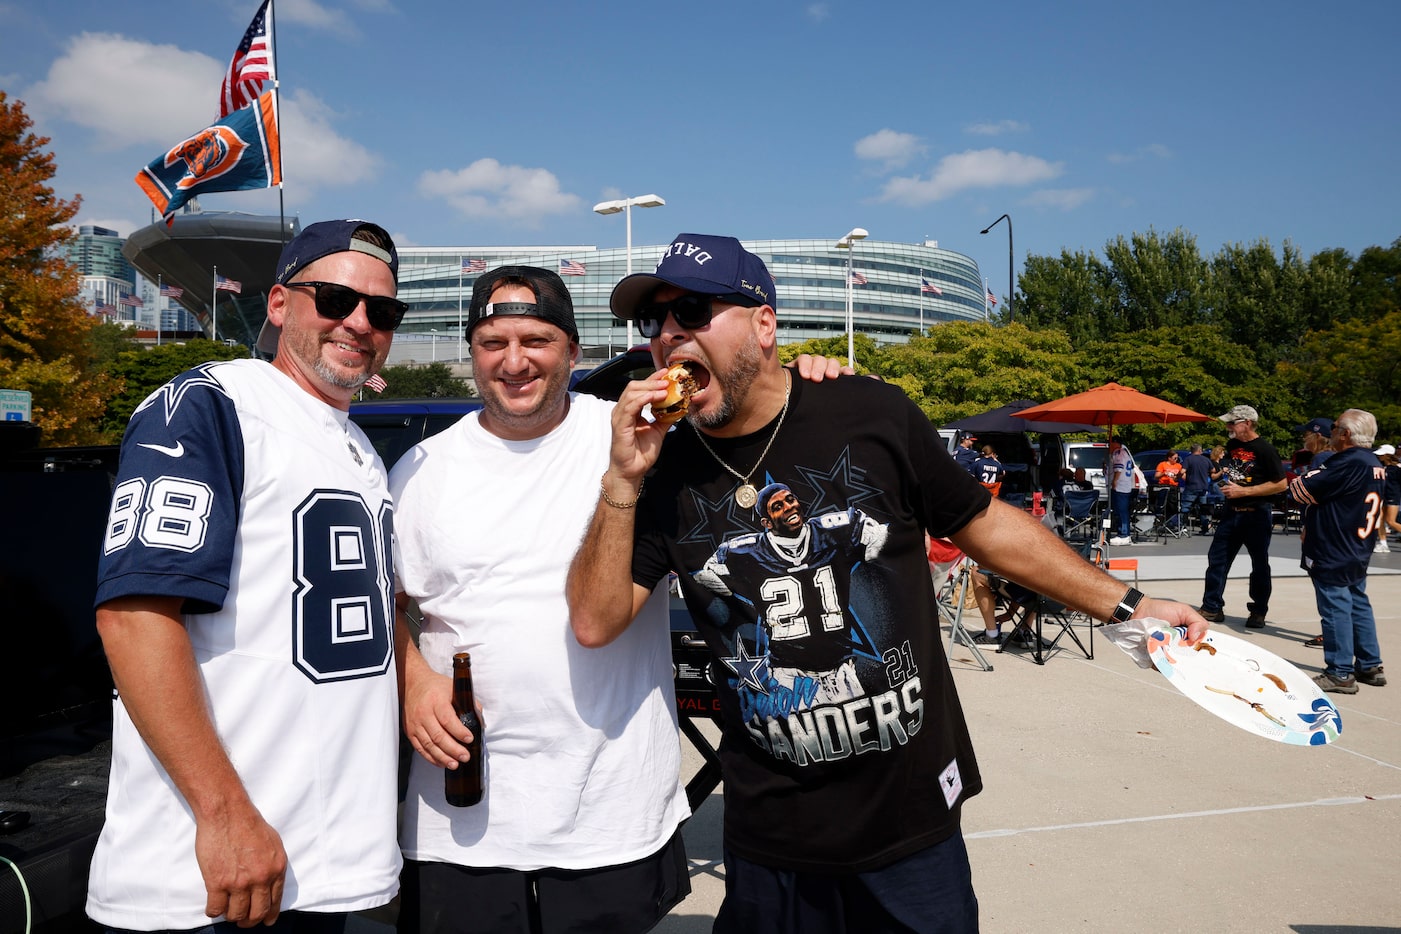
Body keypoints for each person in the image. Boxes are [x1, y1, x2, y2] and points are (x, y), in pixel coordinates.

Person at [564, 232, 1209, 933]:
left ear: (764, 324)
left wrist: (1130, 605)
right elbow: (596, 622)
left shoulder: (866, 412)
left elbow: (982, 524)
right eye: (651, 323)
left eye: (690, 311)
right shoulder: (658, 470)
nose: (666, 336)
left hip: (907, 822)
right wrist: (621, 478)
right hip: (769, 832)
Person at [388, 266, 847, 934]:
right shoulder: (420, 469)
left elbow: (756, 424)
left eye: (535, 340)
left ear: (573, 352)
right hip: (459, 823)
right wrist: (411, 679)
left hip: (611, 814)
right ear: (472, 353)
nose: (514, 361)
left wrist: (806, 377)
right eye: (493, 342)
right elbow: (388, 606)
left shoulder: (641, 437)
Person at [88, 220, 407, 930]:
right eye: (333, 299)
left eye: (381, 311)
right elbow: (134, 617)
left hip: (315, 866)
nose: (358, 322)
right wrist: (224, 814)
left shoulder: (356, 444)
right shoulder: (213, 402)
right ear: (278, 304)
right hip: (209, 876)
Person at [1288, 409, 1387, 693]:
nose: (1330, 431)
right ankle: (1369, 663)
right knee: (1357, 601)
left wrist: (1309, 479)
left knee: (1335, 609)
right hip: (1358, 544)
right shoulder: (1374, 462)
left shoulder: (1347, 461)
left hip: (1334, 545)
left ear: (1345, 433)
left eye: (1334, 427)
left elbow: (1299, 489)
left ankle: (1340, 672)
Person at [1199, 404, 1288, 628]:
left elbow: (1281, 484)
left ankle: (1258, 610)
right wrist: (1222, 483)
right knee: (1217, 559)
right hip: (1231, 512)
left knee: (1259, 564)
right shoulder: (1233, 445)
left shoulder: (1265, 449)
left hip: (1256, 514)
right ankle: (1212, 607)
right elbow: (1233, 471)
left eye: (1232, 422)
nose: (1228, 426)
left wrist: (1245, 491)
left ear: (1246, 423)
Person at [1179, 443, 1215, 534]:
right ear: (1200, 450)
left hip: (1191, 486)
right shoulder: (1206, 460)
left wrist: (1178, 476)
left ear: (1192, 450)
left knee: (1185, 506)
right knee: (1203, 508)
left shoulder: (1188, 459)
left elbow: (1183, 471)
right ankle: (1205, 528)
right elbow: (1213, 470)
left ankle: (1183, 526)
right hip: (1203, 487)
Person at [1108, 440, 1135, 545]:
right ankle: (1123, 533)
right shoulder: (1125, 453)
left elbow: (1119, 468)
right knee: (1121, 511)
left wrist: (1115, 481)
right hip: (1125, 485)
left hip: (1120, 486)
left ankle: (1124, 534)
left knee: (1121, 511)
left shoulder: (1120, 453)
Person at [1377, 444, 1401, 553]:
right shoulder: (1383, 467)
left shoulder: (1397, 469)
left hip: (1393, 497)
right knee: (1380, 519)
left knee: (1391, 521)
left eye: (1382, 454)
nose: (1379, 456)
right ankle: (1383, 544)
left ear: (1387, 455)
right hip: (1383, 497)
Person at [1155, 451, 1184, 530]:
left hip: (1174, 487)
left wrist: (1178, 476)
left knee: (1173, 506)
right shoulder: (1162, 464)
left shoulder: (1178, 465)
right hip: (1163, 486)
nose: (1176, 459)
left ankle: (1172, 523)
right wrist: (1164, 473)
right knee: (1162, 505)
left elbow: (1183, 476)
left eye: (1177, 458)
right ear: (1169, 458)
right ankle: (1162, 522)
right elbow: (1157, 476)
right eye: (1175, 458)